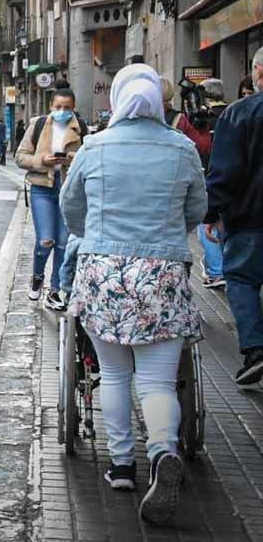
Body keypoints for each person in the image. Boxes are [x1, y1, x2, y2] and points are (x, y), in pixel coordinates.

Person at [61, 63, 206, 525]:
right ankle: (163, 451)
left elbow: (71, 206)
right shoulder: (182, 148)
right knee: (158, 382)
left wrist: (97, 237)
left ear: (119, 99)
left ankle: (122, 466)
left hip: (104, 277)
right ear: (159, 103)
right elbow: (197, 208)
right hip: (162, 276)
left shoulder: (94, 146)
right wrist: (165, 238)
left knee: (115, 374)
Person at [205, 46, 263, 386]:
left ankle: (256, 349)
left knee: (241, 278)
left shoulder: (239, 114)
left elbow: (225, 172)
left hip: (249, 219)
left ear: (257, 73)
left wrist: (211, 213)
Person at [15, 83, 87, 311]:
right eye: (58, 106)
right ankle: (37, 277)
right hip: (42, 188)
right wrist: (41, 161)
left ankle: (55, 290)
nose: (63, 111)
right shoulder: (38, 125)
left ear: (74, 108)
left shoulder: (81, 128)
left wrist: (72, 159)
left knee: (64, 243)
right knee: (46, 239)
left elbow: (91, 159)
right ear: (51, 106)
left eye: (67, 107)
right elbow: (20, 157)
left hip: (68, 190)